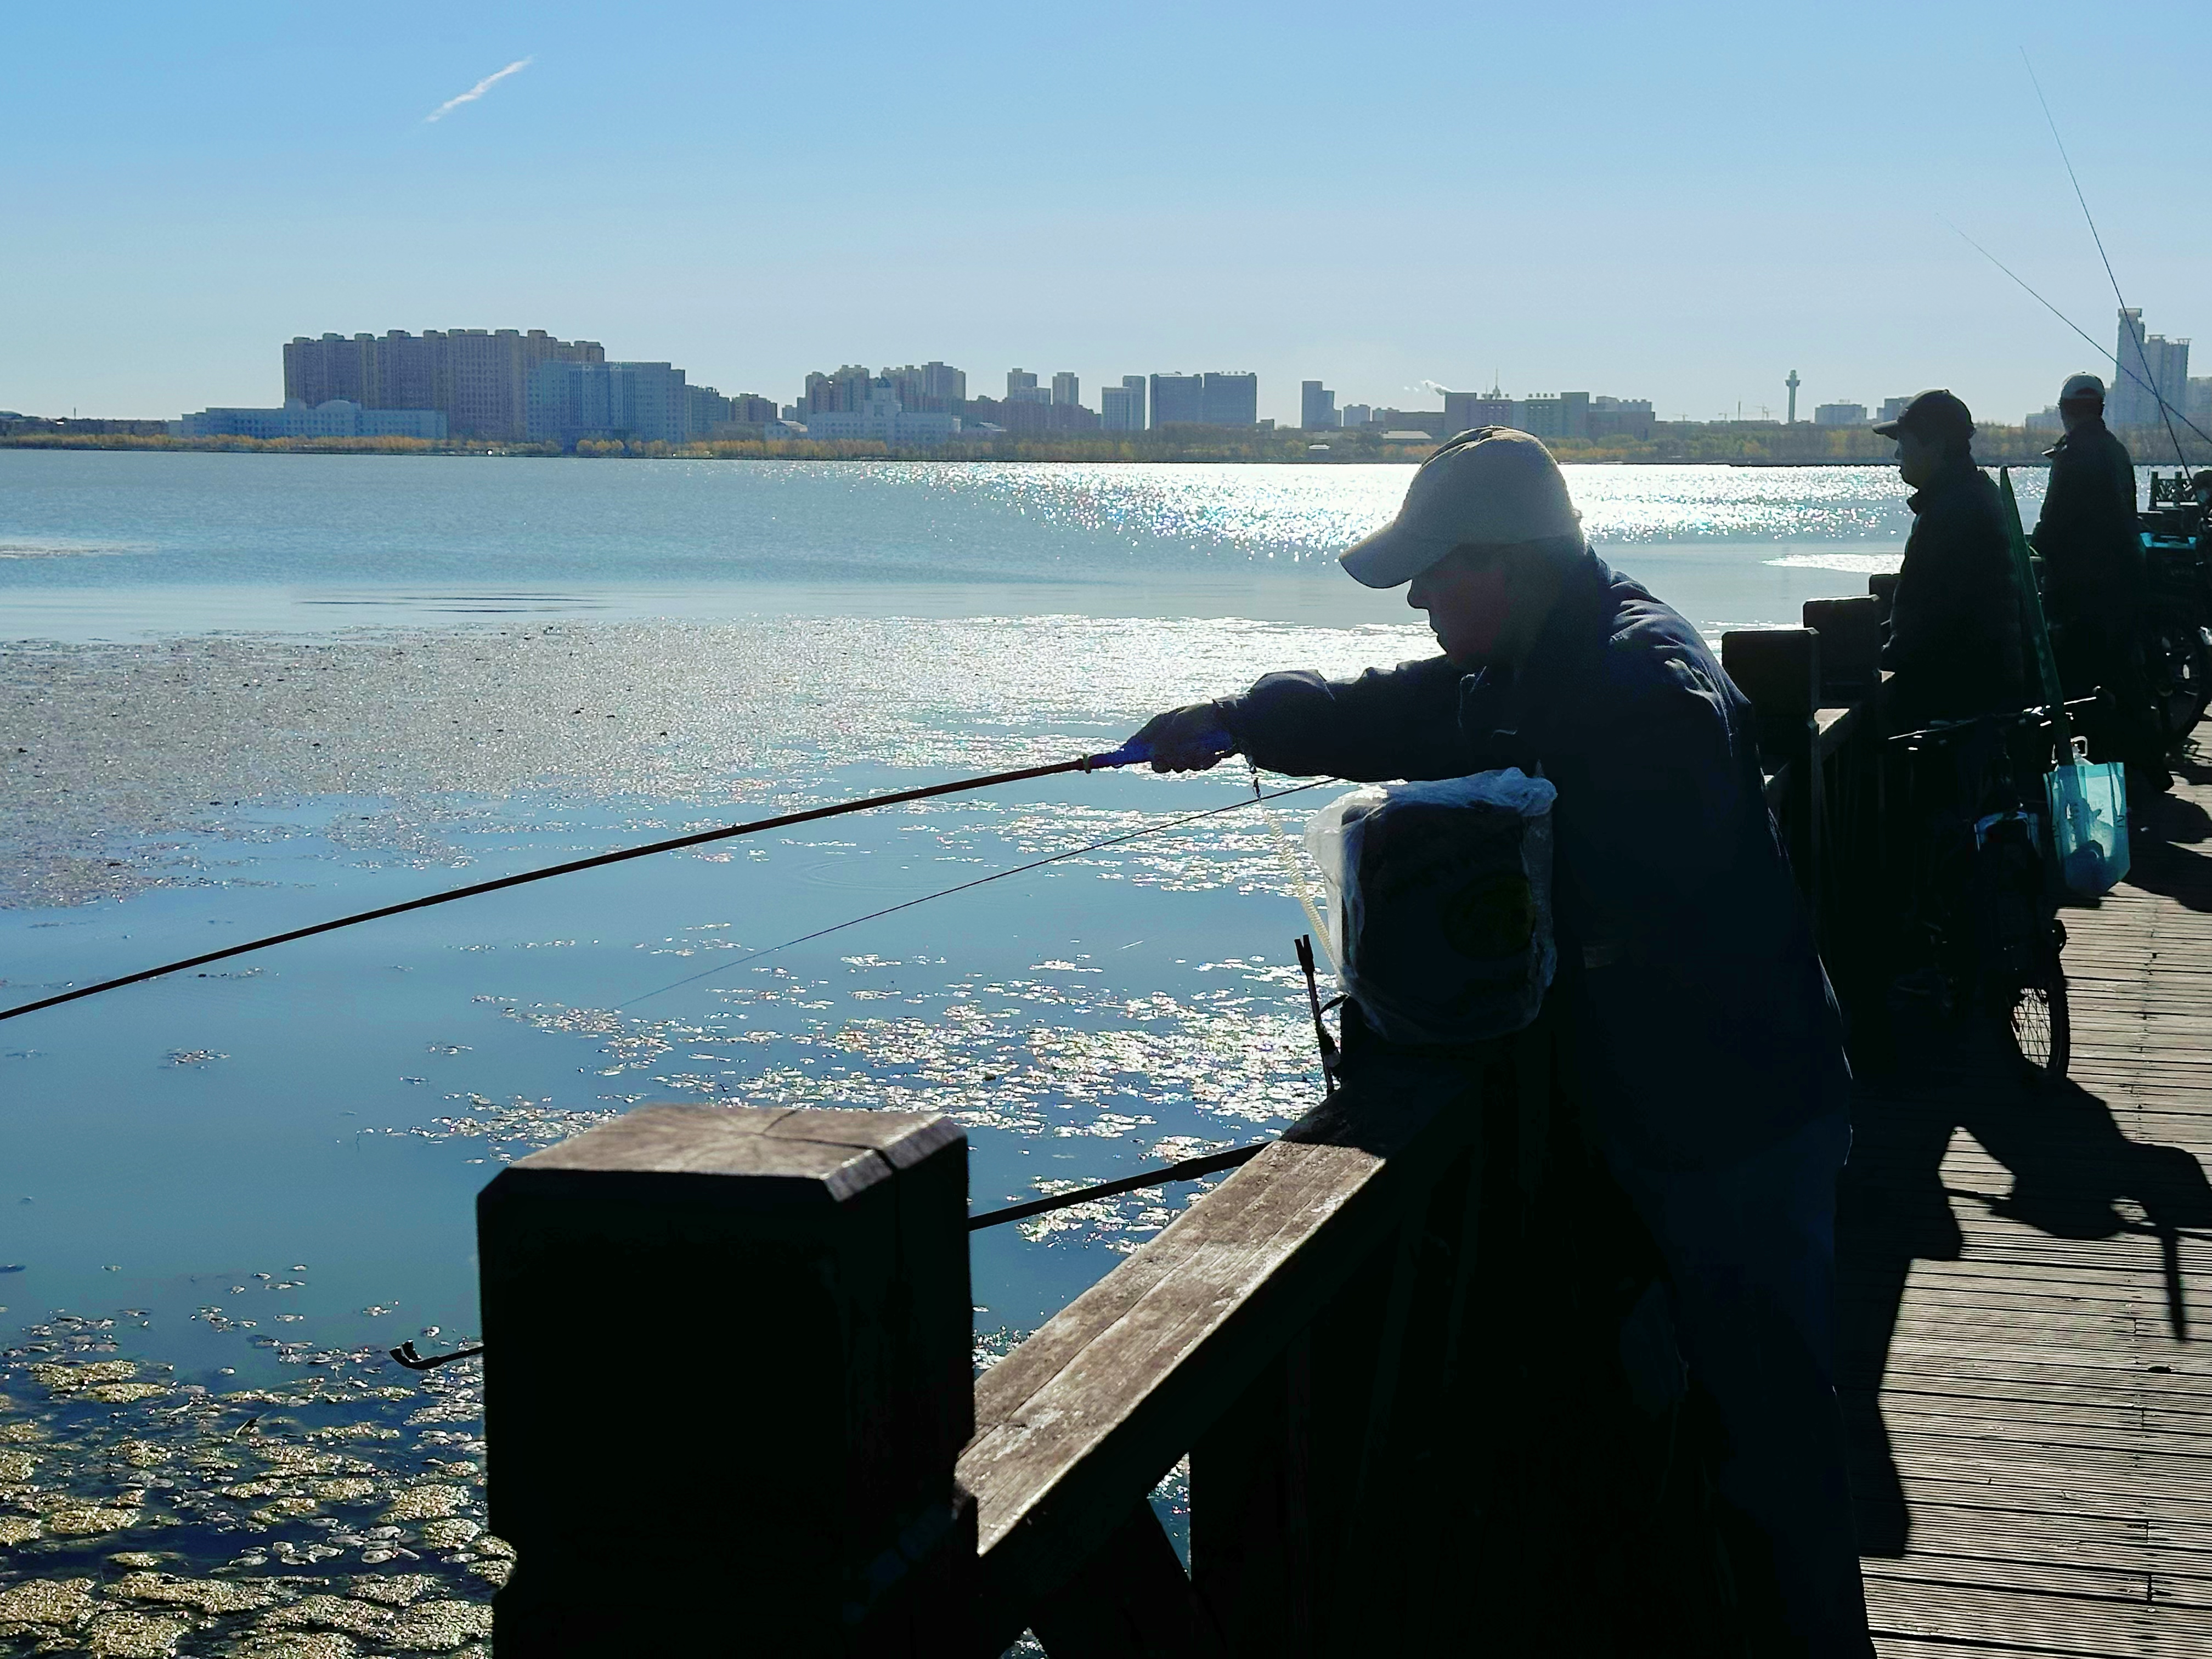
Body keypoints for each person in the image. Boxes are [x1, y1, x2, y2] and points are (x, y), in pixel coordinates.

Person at [1128, 428, 1872, 1656]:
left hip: (1735, 1121)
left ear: (1508, 563)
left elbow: (1655, 862)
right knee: (1673, 1426)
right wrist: (1233, 719)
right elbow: (1390, 715)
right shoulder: (1535, 655)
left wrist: (1486, 848)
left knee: (1775, 1440)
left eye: (1432, 573)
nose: (1417, 599)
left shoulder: (1641, 684)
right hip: (1644, 1113)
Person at [2031, 373, 2169, 791]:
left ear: (2066, 410)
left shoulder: (2073, 457)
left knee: (2080, 682)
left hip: (2082, 590)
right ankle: (2145, 764)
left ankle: (2094, 774)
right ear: (2100, 409)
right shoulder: (2115, 450)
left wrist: (2034, 547)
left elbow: (2054, 522)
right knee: (2120, 673)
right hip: (2123, 581)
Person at [1870, 390, 2027, 732]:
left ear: (1934, 444)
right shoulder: (1974, 494)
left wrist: (1861, 656)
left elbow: (1922, 626)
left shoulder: (1950, 513)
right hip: (1992, 692)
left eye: (1904, 441)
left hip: (1959, 705)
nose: (1897, 453)